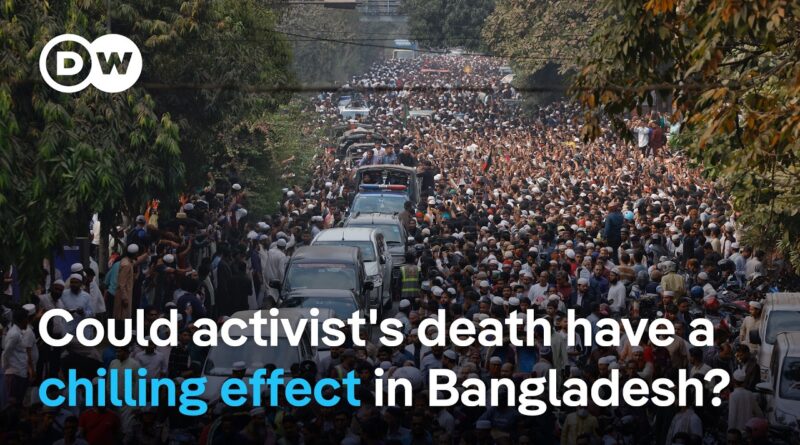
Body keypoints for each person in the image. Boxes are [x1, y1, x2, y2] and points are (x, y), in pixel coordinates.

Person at [1, 308, 34, 408]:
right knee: (13, 403)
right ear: (23, 320)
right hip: (14, 373)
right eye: (26, 319)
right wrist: (7, 369)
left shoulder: (18, 332)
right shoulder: (14, 334)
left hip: (20, 372)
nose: (28, 322)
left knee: (18, 402)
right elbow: (5, 353)